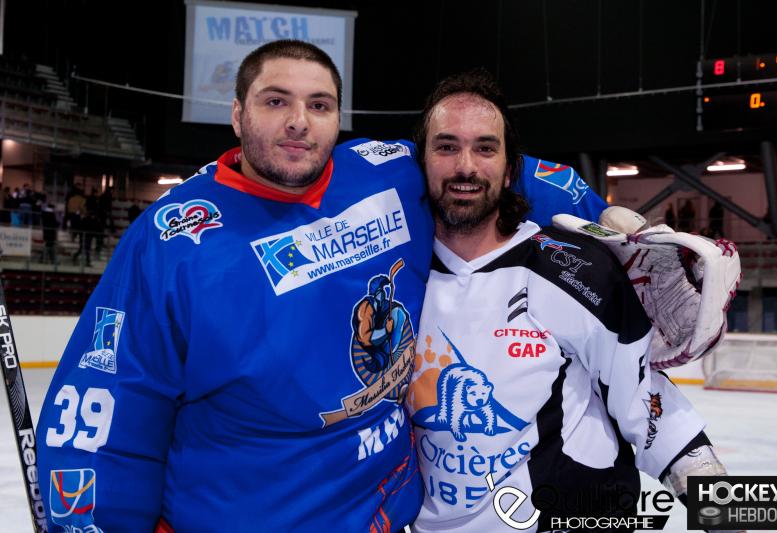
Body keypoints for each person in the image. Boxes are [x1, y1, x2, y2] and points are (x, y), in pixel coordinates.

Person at [36, 41, 607, 532]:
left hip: (389, 513)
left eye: (319, 105)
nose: (298, 121)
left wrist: (611, 228)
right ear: (237, 115)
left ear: (338, 118)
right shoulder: (173, 239)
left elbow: (487, 168)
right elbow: (107, 411)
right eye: (275, 101)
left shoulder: (385, 172)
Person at [407, 71, 729, 532]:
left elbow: (649, 409)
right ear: (421, 161)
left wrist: (735, 516)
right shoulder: (399, 278)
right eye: (446, 147)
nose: (466, 166)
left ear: (510, 169)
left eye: (485, 148)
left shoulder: (574, 270)